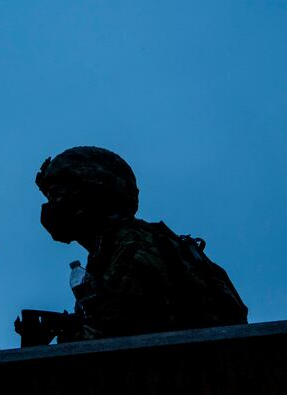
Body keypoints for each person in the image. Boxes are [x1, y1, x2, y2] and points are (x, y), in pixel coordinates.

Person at [34, 146, 247, 340]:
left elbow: (118, 336)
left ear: (89, 195)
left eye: (56, 195)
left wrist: (68, 334)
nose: (50, 206)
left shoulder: (135, 245)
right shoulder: (110, 251)